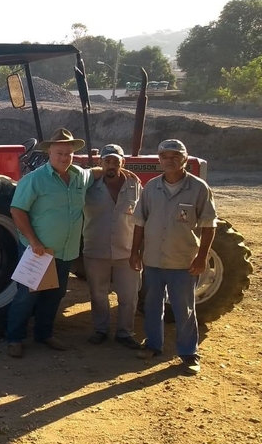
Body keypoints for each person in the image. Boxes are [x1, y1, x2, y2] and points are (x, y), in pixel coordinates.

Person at [5, 128, 100, 358]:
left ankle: (44, 334)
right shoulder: (35, 180)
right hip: (39, 250)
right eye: (59, 153)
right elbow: (17, 210)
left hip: (65, 251)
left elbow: (95, 172)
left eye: (68, 153)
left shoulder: (80, 176)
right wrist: (33, 241)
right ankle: (14, 338)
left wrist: (118, 169)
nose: (64, 158)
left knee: (55, 295)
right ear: (49, 152)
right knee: (27, 294)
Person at [129, 139, 217, 375]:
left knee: (184, 309)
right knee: (152, 305)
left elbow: (209, 226)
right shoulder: (151, 188)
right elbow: (139, 222)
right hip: (154, 260)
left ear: (185, 160)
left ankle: (189, 353)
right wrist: (135, 252)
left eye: (175, 156)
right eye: (165, 157)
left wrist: (201, 258)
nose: (169, 161)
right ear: (159, 160)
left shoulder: (198, 188)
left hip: (183, 262)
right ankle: (153, 345)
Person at [82, 144, 142, 348]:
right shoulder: (89, 185)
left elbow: (143, 217)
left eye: (116, 161)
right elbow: (75, 177)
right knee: (98, 293)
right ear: (100, 163)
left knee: (129, 296)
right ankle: (101, 330)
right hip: (96, 249)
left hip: (126, 251)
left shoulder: (134, 185)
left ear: (122, 163)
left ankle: (125, 333)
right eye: (107, 161)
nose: (112, 165)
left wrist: (139, 251)